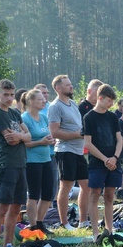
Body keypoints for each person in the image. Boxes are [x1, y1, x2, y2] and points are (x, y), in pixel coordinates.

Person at [0, 79, 31, 247]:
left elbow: (29, 136)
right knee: (2, 207)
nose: (9, 98)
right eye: (5, 94)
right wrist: (22, 136)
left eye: (12, 95)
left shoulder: (14, 112)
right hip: (6, 165)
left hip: (20, 164)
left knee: (16, 208)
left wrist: (21, 136)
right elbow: (11, 140)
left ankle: (9, 246)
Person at [49, 75, 89, 230]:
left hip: (79, 151)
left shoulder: (72, 104)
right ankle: (64, 222)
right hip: (65, 151)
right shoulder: (55, 107)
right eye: (67, 85)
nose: (71, 87)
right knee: (66, 187)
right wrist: (77, 134)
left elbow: (79, 126)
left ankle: (82, 221)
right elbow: (54, 132)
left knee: (86, 186)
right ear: (58, 88)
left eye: (71, 84)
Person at [83, 84, 122, 242]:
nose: (111, 104)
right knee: (94, 195)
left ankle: (109, 229)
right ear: (100, 98)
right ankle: (95, 232)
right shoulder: (89, 117)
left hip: (113, 161)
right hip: (97, 163)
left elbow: (119, 140)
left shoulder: (112, 117)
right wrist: (105, 159)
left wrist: (115, 157)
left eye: (112, 101)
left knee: (110, 196)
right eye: (108, 100)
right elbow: (88, 143)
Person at [21, 88, 56, 234]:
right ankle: (33, 225)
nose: (44, 101)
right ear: (30, 101)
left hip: (46, 158)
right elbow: (24, 143)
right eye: (40, 99)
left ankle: (41, 222)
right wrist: (40, 142)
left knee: (48, 193)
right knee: (34, 194)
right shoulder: (24, 119)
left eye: (44, 99)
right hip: (32, 161)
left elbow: (47, 135)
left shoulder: (43, 117)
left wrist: (50, 140)